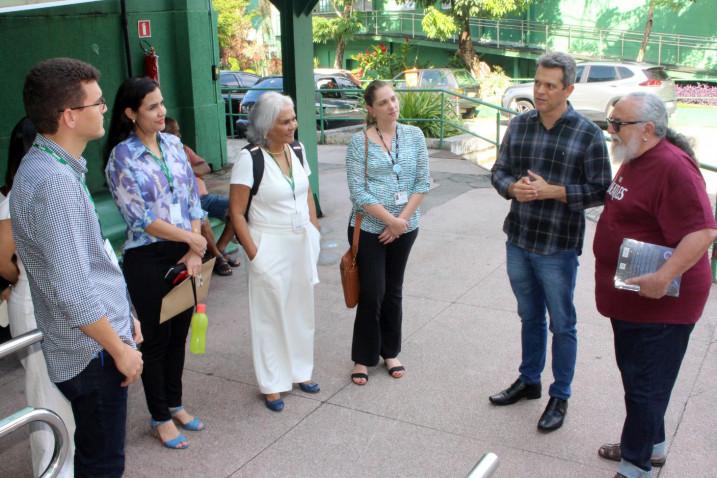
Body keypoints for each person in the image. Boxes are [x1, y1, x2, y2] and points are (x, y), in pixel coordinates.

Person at [10, 57, 143, 477]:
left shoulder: (52, 168)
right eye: (97, 103)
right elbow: (72, 289)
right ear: (69, 116)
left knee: (96, 456)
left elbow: (91, 263)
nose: (105, 108)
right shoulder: (53, 182)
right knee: (102, 465)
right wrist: (119, 348)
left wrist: (127, 317)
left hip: (95, 343)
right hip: (93, 353)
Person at [593, 92, 717, 478]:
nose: (610, 130)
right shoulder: (635, 156)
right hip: (632, 298)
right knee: (639, 379)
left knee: (646, 386)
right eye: (610, 122)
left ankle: (637, 466)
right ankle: (652, 445)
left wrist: (664, 278)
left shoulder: (672, 167)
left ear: (647, 129)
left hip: (662, 304)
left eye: (618, 124)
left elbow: (704, 231)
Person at [489, 52, 611, 432]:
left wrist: (551, 191)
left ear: (569, 89)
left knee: (563, 323)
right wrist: (512, 188)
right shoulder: (520, 124)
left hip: (557, 246)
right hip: (519, 238)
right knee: (529, 316)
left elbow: (601, 190)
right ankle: (529, 381)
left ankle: (560, 394)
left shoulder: (587, 133)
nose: (539, 91)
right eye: (537, 82)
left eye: (549, 85)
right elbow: (498, 171)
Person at [105, 77, 206, 449]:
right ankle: (159, 416)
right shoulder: (122, 156)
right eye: (151, 106)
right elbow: (141, 218)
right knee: (156, 341)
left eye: (162, 104)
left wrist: (195, 248)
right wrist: (191, 239)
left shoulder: (175, 145)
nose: (161, 112)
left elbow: (193, 199)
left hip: (185, 251)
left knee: (179, 333)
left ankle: (175, 403)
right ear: (131, 113)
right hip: (148, 256)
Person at [228, 91, 321, 412]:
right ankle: (272, 383)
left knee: (300, 312)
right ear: (267, 126)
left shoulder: (297, 148)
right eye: (285, 121)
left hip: (299, 242)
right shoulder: (249, 159)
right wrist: (255, 254)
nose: (293, 125)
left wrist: (314, 229)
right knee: (269, 317)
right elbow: (237, 213)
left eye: (293, 118)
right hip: (268, 243)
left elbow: (306, 190)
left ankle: (300, 372)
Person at [0, 117, 76, 477]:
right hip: (34, 305)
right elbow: (2, 257)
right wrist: (25, 280)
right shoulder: (21, 191)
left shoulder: (57, 181)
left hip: (55, 303)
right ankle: (52, 469)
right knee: (46, 397)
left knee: (62, 398)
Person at [345, 80, 430, 385]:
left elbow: (422, 183)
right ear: (370, 109)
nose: (391, 106)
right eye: (383, 102)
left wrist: (400, 222)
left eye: (393, 99)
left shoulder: (414, 136)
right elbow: (358, 191)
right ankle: (363, 357)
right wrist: (388, 221)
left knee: (393, 290)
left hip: (406, 227)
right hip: (368, 227)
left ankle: (390, 351)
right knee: (373, 292)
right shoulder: (360, 142)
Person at [163, 117, 238, 276]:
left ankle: (220, 250)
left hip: (206, 198)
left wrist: (186, 169)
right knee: (201, 220)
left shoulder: (183, 149)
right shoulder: (160, 155)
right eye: (173, 132)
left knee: (237, 208)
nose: (178, 135)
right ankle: (218, 258)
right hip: (187, 204)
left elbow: (205, 168)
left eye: (178, 132)